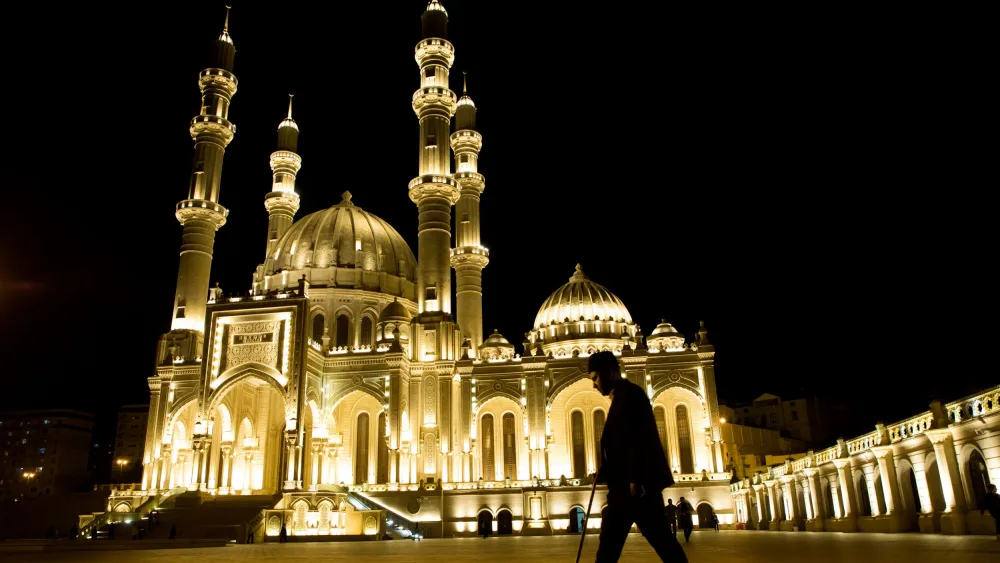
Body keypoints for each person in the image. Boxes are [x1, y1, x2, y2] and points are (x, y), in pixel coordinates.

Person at [589, 351, 688, 563]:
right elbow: (621, 444)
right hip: (625, 487)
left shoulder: (631, 395)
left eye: (595, 377)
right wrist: (604, 471)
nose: (594, 385)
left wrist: (636, 478)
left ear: (610, 372)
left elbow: (639, 437)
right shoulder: (621, 397)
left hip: (635, 489)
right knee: (611, 544)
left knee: (659, 540)